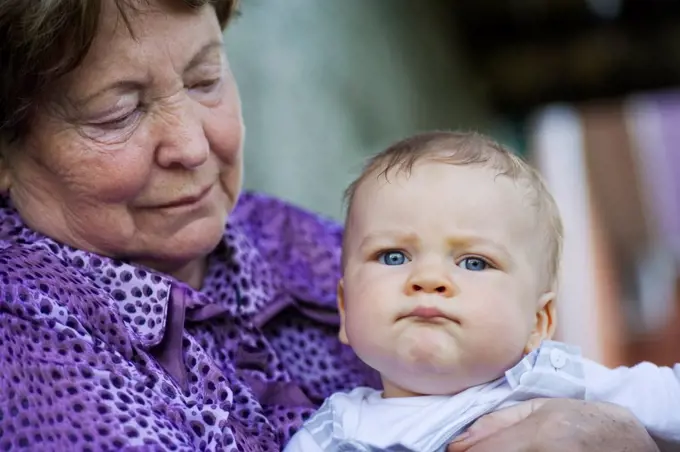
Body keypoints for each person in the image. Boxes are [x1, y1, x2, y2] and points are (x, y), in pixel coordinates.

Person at [0, 0, 662, 450]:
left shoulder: (283, 240)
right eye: (119, 114)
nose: (194, 147)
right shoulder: (29, 353)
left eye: (205, 79)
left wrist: (615, 432)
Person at [284, 131, 680, 452]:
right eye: (392, 256)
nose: (427, 278)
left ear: (537, 323)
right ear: (345, 309)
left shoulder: (555, 383)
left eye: (474, 262)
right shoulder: (332, 435)